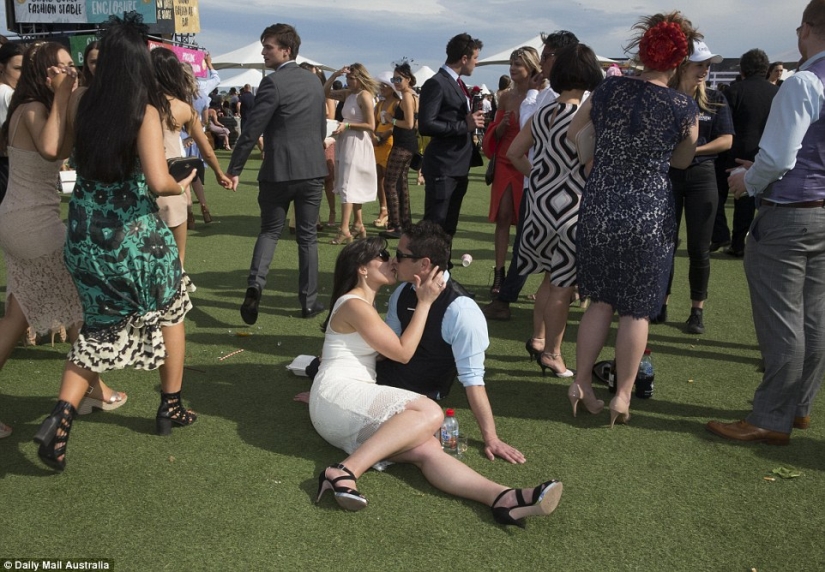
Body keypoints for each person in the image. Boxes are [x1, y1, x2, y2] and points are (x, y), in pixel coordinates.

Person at [32, 16, 204, 471]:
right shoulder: (144, 110)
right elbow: (158, 181)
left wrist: (61, 96)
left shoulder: (81, 101)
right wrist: (180, 182)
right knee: (172, 309)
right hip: (135, 240)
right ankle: (170, 404)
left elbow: (52, 150)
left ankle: (60, 416)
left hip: (85, 236)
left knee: (98, 330)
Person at [301, 237, 562, 526]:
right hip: (339, 397)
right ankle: (344, 471)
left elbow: (339, 354)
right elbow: (401, 353)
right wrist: (425, 302)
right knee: (430, 413)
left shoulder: (363, 306)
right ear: (362, 268)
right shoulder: (355, 304)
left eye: (395, 255)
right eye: (384, 255)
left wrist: (321, 394)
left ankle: (503, 498)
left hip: (339, 404)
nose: (392, 261)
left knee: (427, 449)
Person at [566, 12, 699, 427]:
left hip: (600, 206)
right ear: (677, 62)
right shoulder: (683, 106)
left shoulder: (608, 89)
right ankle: (622, 395)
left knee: (598, 302)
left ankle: (580, 383)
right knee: (637, 311)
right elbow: (682, 160)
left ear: (642, 52)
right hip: (649, 212)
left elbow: (574, 131)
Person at [707, 1, 825, 445]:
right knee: (814, 318)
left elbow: (778, 157)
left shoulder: (804, 82)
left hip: (789, 213)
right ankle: (798, 409)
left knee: (784, 323)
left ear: (804, 30)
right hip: (820, 210)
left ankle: (772, 417)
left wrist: (746, 179)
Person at [375, 221, 526, 463]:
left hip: (415, 399)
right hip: (384, 383)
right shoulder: (402, 292)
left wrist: (491, 438)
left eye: (401, 256)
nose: (393, 261)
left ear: (424, 264)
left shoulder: (462, 311)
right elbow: (388, 347)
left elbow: (474, 380)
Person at [506, 43, 603, 378]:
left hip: (539, 207)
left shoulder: (541, 114)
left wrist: (542, 177)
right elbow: (591, 166)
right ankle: (553, 353)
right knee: (562, 286)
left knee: (549, 277)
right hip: (572, 209)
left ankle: (538, 339)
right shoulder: (587, 117)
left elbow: (515, 154)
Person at [227, 23, 327, 324]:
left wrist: (235, 169)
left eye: (267, 47)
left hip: (278, 171)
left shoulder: (272, 83)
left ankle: (256, 286)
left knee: (270, 232)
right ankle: (308, 302)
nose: (262, 52)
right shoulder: (314, 82)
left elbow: (251, 130)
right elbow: (321, 129)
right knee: (307, 239)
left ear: (286, 49)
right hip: (311, 170)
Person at [481, 30, 581, 321]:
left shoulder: (551, 94)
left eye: (547, 56)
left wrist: (533, 94)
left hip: (541, 183)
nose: (543, 62)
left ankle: (508, 301)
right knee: (544, 245)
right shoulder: (570, 93)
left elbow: (527, 133)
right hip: (556, 183)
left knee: (529, 245)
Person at [657, 40, 733, 334]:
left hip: (703, 176)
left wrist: (691, 151)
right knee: (666, 244)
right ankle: (660, 303)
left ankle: (696, 310)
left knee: (700, 248)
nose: (705, 70)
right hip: (670, 177)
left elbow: (727, 140)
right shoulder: (666, 97)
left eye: (707, 65)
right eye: (700, 64)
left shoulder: (714, 98)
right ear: (683, 65)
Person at [151, 47, 232, 267]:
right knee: (178, 260)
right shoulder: (182, 108)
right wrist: (218, 173)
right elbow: (206, 148)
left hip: (142, 185)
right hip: (172, 179)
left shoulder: (138, 105)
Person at [419, 33, 485, 254]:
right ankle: (425, 274)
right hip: (443, 166)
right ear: (464, 58)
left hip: (457, 165)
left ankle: (442, 272)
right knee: (435, 226)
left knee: (448, 226)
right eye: (475, 58)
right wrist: (463, 126)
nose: (476, 63)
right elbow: (426, 124)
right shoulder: (436, 83)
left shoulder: (456, 83)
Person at [482, 47, 541, 296]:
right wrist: (499, 126)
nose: (513, 68)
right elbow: (492, 132)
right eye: (511, 63)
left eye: (518, 64)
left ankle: (521, 276)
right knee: (504, 217)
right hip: (506, 161)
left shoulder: (541, 95)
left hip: (528, 163)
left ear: (530, 67)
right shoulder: (503, 96)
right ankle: (499, 272)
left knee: (526, 223)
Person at [711, 49, 779, 257]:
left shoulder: (733, 91)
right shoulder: (777, 93)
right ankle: (739, 243)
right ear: (766, 69)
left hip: (730, 153)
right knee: (746, 201)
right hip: (763, 154)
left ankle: (721, 234)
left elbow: (721, 125)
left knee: (716, 196)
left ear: (742, 69)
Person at [323, 63, 378, 245]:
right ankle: (358, 224)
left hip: (357, 142)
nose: (348, 81)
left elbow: (371, 125)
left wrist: (347, 125)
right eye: (347, 78)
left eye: (351, 78)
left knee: (348, 184)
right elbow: (325, 92)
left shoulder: (365, 96)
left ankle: (344, 228)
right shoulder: (348, 94)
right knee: (349, 183)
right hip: (345, 140)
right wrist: (335, 75)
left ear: (360, 78)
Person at [379, 62, 418, 239]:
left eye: (398, 78)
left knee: (390, 183)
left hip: (403, 144)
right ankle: (404, 223)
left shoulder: (408, 97)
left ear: (408, 79)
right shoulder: (411, 96)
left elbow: (409, 124)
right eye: (393, 78)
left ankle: (396, 225)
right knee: (401, 184)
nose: (395, 82)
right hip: (407, 145)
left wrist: (391, 119)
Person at [371, 71, 400, 229]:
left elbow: (396, 125)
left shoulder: (396, 103)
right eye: (380, 85)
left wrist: (381, 137)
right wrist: (374, 137)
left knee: (390, 180)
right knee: (379, 177)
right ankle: (383, 209)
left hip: (389, 142)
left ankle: (392, 212)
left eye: (385, 85)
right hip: (377, 142)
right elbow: (373, 122)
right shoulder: (379, 104)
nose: (381, 88)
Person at [0, 42, 23, 205]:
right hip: (9, 166)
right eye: (18, 69)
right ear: (2, 67)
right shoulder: (9, 95)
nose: (23, 75)